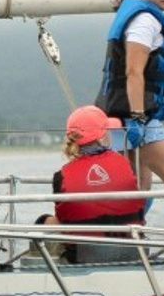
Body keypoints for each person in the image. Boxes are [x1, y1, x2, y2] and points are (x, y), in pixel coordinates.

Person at [95, 0, 164, 224]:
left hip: (118, 113)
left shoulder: (137, 15)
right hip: (135, 117)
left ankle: (129, 239)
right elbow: (133, 72)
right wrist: (137, 117)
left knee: (138, 185)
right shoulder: (145, 21)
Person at [39, 105, 145, 261]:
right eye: (107, 130)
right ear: (102, 138)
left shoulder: (61, 176)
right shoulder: (124, 163)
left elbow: (64, 218)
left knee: (43, 221)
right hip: (133, 250)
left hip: (83, 256)